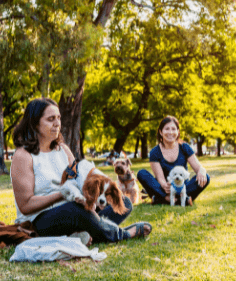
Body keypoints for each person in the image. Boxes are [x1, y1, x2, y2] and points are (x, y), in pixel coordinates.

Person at [10, 98, 151, 243]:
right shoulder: (23, 156)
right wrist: (62, 194)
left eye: (58, 118)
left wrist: (93, 196)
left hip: (73, 209)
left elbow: (79, 180)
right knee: (77, 211)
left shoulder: (63, 149)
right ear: (34, 123)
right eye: (50, 119)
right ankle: (122, 234)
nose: (57, 123)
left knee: (123, 202)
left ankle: (88, 232)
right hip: (39, 220)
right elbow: (26, 205)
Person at [136, 116, 210, 205]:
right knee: (142, 173)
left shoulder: (184, 147)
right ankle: (174, 199)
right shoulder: (155, 152)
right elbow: (160, 178)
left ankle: (161, 199)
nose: (170, 132)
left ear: (178, 132)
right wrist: (164, 186)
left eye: (173, 129)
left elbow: (199, 168)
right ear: (160, 131)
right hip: (165, 188)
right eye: (167, 129)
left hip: (183, 187)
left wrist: (202, 171)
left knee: (206, 177)